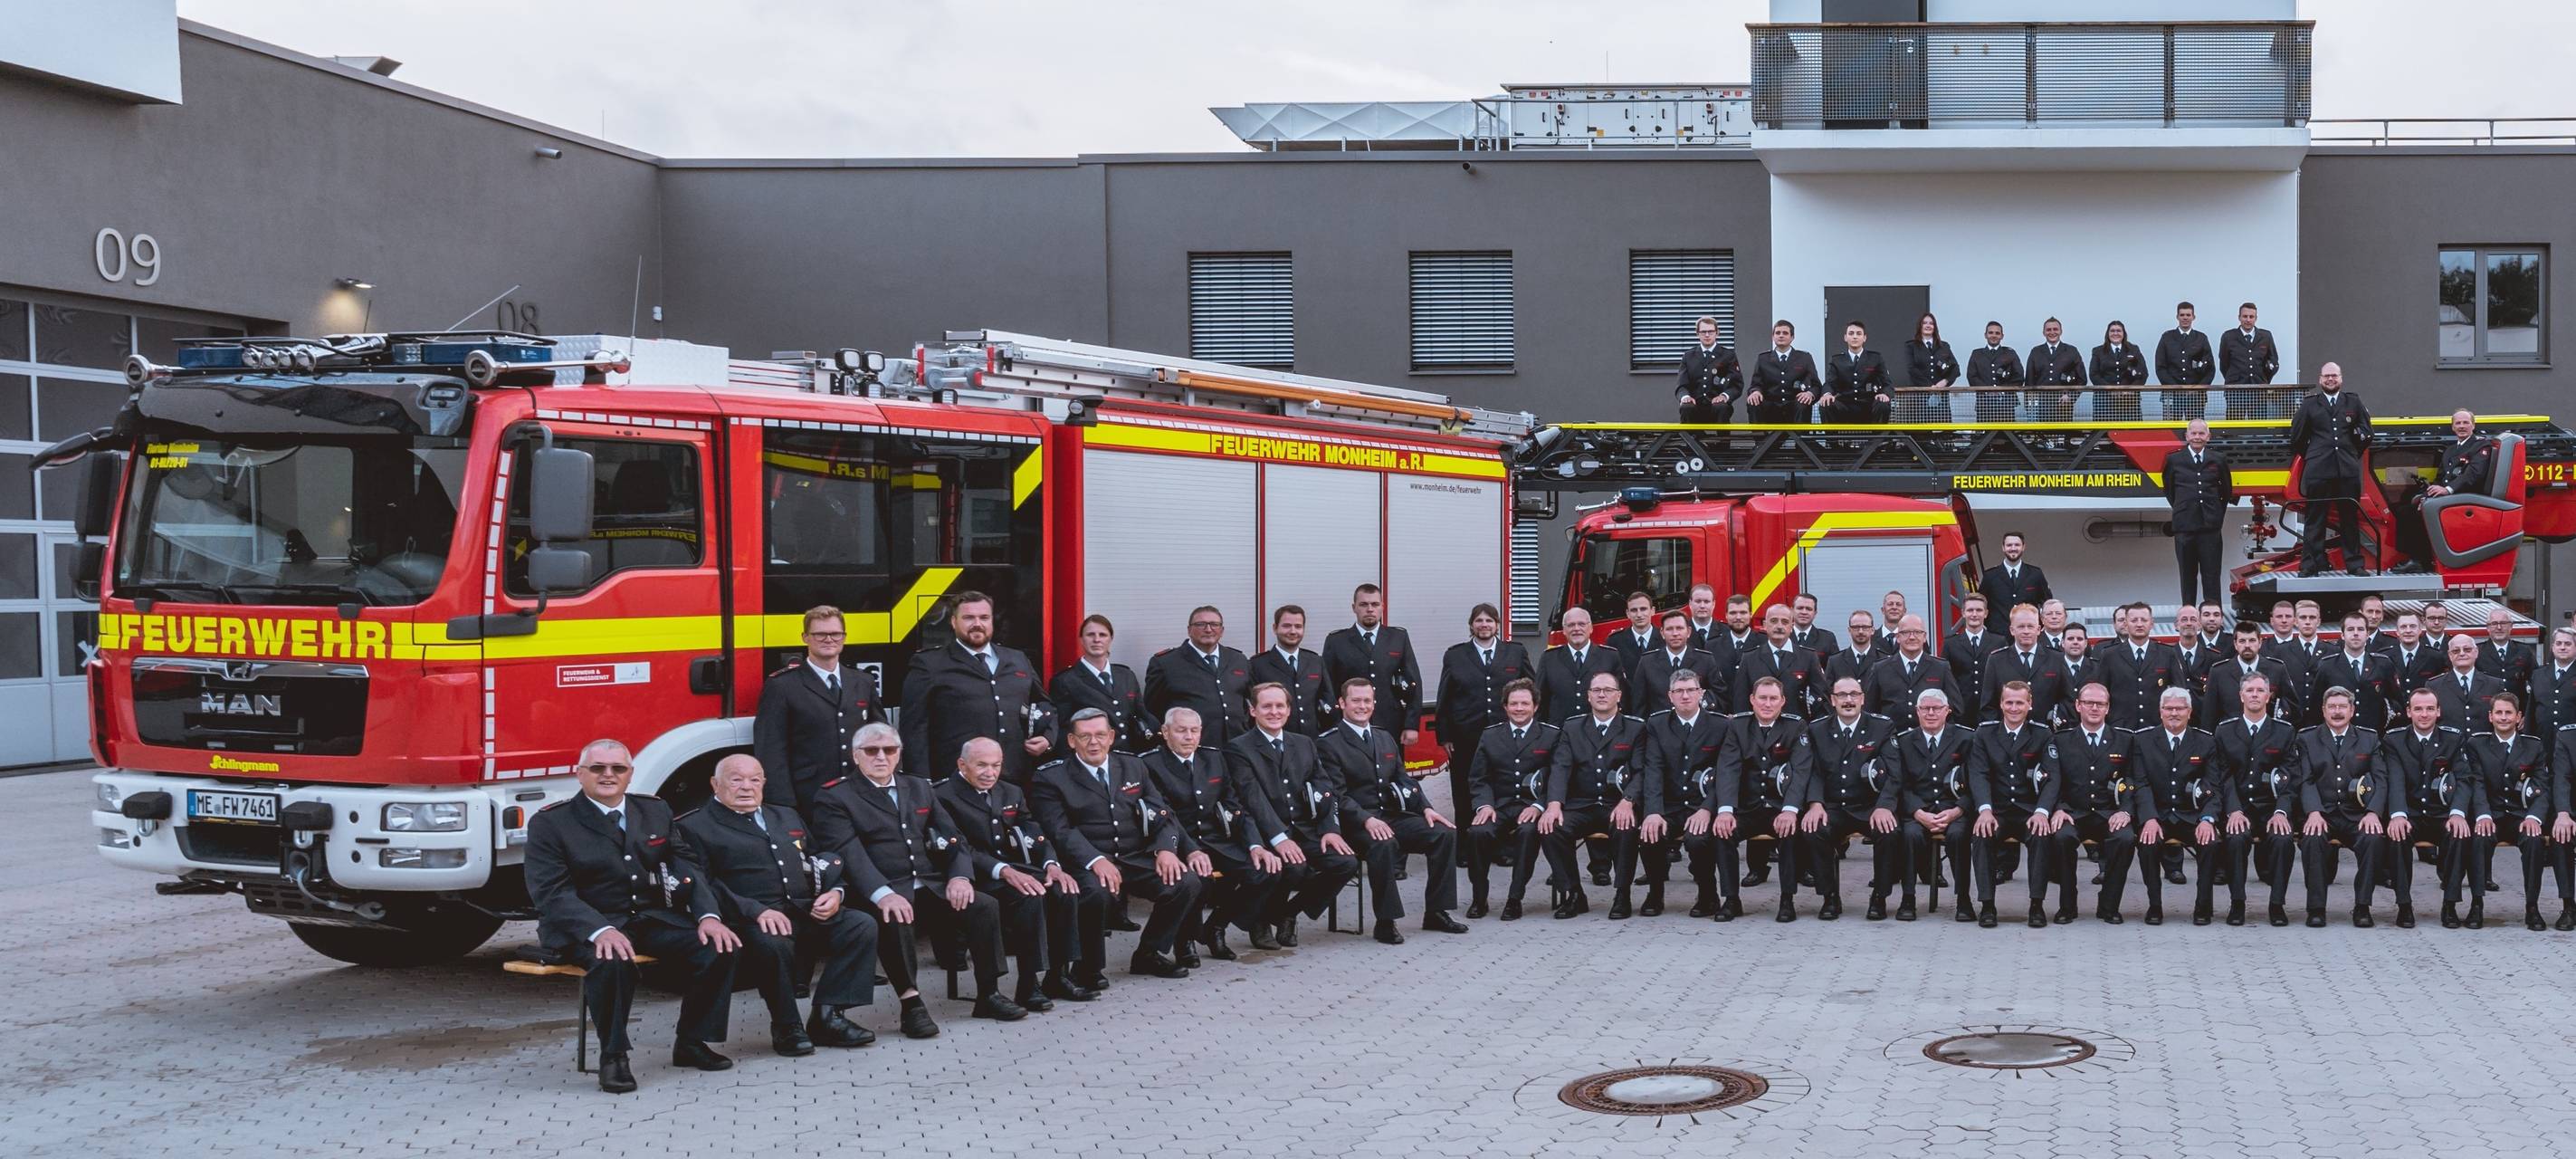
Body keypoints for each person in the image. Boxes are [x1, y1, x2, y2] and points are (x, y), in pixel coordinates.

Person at [524, 740, 739, 1093]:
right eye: (598, 768)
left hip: (646, 919)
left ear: (630, 774)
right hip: (584, 926)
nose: (608, 775)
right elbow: (551, 892)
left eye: (617, 769)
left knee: (719, 946)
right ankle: (614, 1056)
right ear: (580, 774)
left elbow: (687, 866)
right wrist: (600, 929)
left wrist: (708, 916)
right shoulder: (552, 822)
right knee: (613, 961)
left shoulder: (654, 810)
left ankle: (692, 1042)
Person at [807, 723, 1016, 1036]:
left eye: (889, 750)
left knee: (983, 905)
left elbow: (953, 836)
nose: (881, 757)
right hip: (880, 888)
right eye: (872, 751)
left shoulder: (918, 787)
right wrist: (882, 893)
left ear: (899, 754)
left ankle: (988, 993)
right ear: (855, 755)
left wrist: (959, 877)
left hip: (930, 883)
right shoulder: (837, 797)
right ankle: (911, 1004)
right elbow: (849, 853)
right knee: (895, 914)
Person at [677, 754, 877, 1057]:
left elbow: (818, 859)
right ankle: (787, 1027)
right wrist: (756, 912)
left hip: (801, 909)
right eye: (736, 779)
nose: (747, 787)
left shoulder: (785, 816)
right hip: (747, 918)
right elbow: (705, 885)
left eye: (755, 779)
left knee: (860, 925)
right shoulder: (695, 826)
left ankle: (828, 1016)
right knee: (772, 944)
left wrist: (835, 892)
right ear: (714, 784)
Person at [1031, 709, 1205, 976]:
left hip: (1134, 856)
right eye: (1085, 736)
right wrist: (1096, 860)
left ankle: (1149, 953)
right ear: (1071, 741)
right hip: (1086, 861)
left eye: (1100, 735)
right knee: (1094, 893)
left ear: (1111, 737)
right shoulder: (1052, 777)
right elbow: (1060, 830)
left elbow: (1162, 814)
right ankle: (1088, 967)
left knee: (1185, 881)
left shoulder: (1133, 766)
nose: (1094, 742)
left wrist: (1166, 850)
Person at [935, 738, 1087, 1008]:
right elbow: (959, 846)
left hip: (1017, 869)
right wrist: (1004, 871)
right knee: (1028, 897)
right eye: (981, 765)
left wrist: (1051, 865)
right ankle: (1028, 985)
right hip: (975, 876)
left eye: (996, 765)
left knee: (1064, 889)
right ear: (962, 764)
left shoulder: (1010, 791)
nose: (990, 773)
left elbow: (1034, 831)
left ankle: (1058, 974)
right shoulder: (943, 796)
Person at [1319, 679, 1465, 943]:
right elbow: (1337, 795)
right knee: (1383, 844)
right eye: (1356, 700)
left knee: (1443, 834)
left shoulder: (1384, 737)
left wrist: (1426, 809)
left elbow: (1404, 779)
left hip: (1390, 816)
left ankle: (1436, 912)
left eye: (1367, 701)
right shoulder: (1329, 743)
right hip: (1354, 824)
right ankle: (1386, 921)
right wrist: (1366, 820)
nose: (1362, 706)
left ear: (1374, 704)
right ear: (1342, 703)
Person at [1227, 683, 1362, 948]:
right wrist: (1278, 839)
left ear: (1289, 711)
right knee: (1293, 867)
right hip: (1267, 833)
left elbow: (1325, 789)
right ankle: (1260, 920)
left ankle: (1288, 913)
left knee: (1345, 863)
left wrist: (1330, 829)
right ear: (1253, 710)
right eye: (1267, 706)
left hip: (1305, 830)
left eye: (1280, 706)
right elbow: (1253, 799)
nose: (1274, 712)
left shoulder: (1303, 743)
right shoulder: (1238, 748)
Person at [1142, 706, 1282, 961]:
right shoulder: (1149, 764)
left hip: (1218, 841)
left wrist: (1255, 846)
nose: (1188, 737)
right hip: (1178, 845)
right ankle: (1184, 941)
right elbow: (1164, 817)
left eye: (1194, 731)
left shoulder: (1213, 758)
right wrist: (1190, 850)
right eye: (1181, 730)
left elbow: (1235, 805)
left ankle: (1216, 926)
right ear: (1165, 732)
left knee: (1266, 870)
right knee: (1199, 880)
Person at [900, 591, 1056, 786]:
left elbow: (1043, 704)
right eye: (968, 618)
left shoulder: (1017, 659)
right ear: (953, 622)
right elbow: (914, 729)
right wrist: (921, 783)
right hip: (956, 780)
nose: (977, 624)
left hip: (1014, 778)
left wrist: (1048, 738)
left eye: (984, 618)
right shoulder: (929, 664)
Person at [753, 605, 886, 811]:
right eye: (820, 634)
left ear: (844, 637)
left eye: (835, 634)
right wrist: (783, 805)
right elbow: (771, 750)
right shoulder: (782, 685)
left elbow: (881, 737)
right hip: (810, 796)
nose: (829, 639)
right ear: (805, 637)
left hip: (860, 794)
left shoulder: (863, 681)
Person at [1539, 672, 1647, 919]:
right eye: (1596, 690)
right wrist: (1554, 805)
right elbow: (1561, 767)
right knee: (1551, 828)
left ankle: (1622, 894)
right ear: (1588, 696)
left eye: (1608, 690)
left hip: (1616, 803)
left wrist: (1628, 801)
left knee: (1626, 828)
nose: (1601, 694)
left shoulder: (1635, 728)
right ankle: (1574, 894)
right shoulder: (1572, 727)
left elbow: (1642, 771)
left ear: (1619, 696)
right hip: (1582, 804)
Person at [2461, 694, 2571, 931]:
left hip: (2522, 816)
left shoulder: (2533, 745)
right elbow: (2476, 783)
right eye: (2498, 713)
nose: (2503, 717)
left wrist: (2534, 817)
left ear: (2519, 717)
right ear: (2490, 717)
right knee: (2479, 839)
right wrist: (2482, 815)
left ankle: (2532, 907)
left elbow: (2542, 787)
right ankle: (2477, 904)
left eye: (2508, 713)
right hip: (2491, 815)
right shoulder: (2477, 744)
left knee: (2534, 842)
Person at [1797, 677, 1901, 920]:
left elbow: (1895, 773)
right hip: (1834, 806)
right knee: (1813, 830)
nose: (1848, 700)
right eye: (1842, 695)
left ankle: (1880, 897)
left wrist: (1885, 807)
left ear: (1863, 698)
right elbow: (1812, 772)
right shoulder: (1817, 729)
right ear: (1832, 700)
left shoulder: (1881, 727)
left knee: (1890, 832)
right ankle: (1829, 896)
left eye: (1854, 694)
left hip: (1870, 807)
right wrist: (1815, 804)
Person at [1710, 676, 1812, 921]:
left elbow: (1801, 771)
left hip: (1779, 807)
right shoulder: (1737, 726)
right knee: (1722, 832)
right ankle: (1731, 899)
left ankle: (1787, 899)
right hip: (1748, 808)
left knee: (1789, 832)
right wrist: (1725, 810)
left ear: (1783, 701)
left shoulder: (1795, 727)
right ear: (1752, 700)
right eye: (1762, 698)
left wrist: (1790, 810)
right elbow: (1728, 768)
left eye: (1773, 698)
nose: (1767, 704)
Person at [1634, 668, 1732, 919]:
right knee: (1649, 834)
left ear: (1701, 693)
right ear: (1670, 696)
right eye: (1679, 691)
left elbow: (1724, 774)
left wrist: (1707, 809)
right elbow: (1652, 769)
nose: (1685, 696)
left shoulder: (1720, 725)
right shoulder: (1657, 724)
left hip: (1703, 804)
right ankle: (1655, 893)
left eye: (1691, 690)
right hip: (1670, 804)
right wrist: (1653, 812)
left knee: (1697, 839)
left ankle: (1708, 894)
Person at [2292, 690, 2394, 928]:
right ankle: (2316, 908)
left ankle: (2362, 906)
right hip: (2322, 813)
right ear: (2323, 711)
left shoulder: (2369, 738)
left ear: (2352, 710)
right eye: (2332, 707)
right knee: (2312, 840)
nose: (2337, 712)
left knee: (2373, 839)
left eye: (2342, 707)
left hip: (2356, 814)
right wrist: (2313, 812)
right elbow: (2304, 779)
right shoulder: (2307, 738)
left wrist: (2373, 813)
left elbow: (2381, 779)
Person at [2043, 683, 2141, 923]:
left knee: (2125, 839)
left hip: (2109, 812)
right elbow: (2054, 779)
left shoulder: (2124, 739)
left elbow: (2131, 780)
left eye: (2100, 704)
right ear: (2078, 705)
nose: (2094, 708)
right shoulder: (2061, 739)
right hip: (2073, 812)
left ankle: (2108, 904)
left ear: (2108, 708)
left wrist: (2126, 811)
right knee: (2062, 838)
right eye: (2089, 703)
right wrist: (2057, 809)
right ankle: (2068, 904)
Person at [1876, 688, 1973, 923]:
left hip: (1954, 809)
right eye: (1925, 709)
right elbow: (1902, 784)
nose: (1931, 713)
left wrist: (1958, 810)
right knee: (1909, 834)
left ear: (1947, 711)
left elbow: (1976, 781)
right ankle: (1907, 899)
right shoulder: (1904, 741)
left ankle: (1963, 899)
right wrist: (1917, 813)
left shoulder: (1966, 738)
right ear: (1917, 712)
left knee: (1960, 835)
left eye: (1937, 708)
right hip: (1918, 810)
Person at [2128, 687, 2223, 925]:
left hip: (2191, 816)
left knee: (2210, 843)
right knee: (2147, 843)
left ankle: (2203, 906)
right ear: (2160, 712)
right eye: (2169, 708)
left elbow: (2214, 785)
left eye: (2179, 708)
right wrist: (2149, 818)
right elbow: (2140, 783)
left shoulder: (2205, 741)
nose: (2174, 713)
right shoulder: (2142, 740)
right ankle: (2155, 905)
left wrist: (2207, 819)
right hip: (2157, 815)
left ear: (2189, 712)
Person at [1465, 679, 1560, 920]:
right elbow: (1478, 778)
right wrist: (1484, 805)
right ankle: (1479, 897)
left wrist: (1540, 806)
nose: (1519, 708)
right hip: (1498, 806)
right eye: (1514, 704)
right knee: (1477, 833)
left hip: (1531, 807)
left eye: (1524, 703)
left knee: (1528, 833)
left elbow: (1558, 778)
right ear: (1505, 707)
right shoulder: (1490, 736)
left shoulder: (1551, 735)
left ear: (1535, 706)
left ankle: (1514, 898)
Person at [2213, 673, 2302, 927]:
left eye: (2259, 690)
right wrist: (2233, 811)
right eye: (2249, 690)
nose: (2254, 695)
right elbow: (2223, 776)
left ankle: (2277, 904)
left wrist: (2282, 812)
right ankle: (2237, 903)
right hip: (2238, 807)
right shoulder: (2225, 731)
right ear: (2241, 696)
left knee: (2284, 841)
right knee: (2235, 839)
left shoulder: (2284, 732)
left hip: (2270, 808)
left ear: (2268, 696)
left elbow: (2290, 777)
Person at [1967, 682, 2057, 928]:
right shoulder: (1985, 734)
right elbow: (1978, 774)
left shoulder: (2042, 734)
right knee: (1981, 834)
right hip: (1997, 811)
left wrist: (2042, 812)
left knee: (2041, 835)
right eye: (2009, 702)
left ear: (2030, 704)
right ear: (2000, 704)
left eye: (2020, 702)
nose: (2014, 708)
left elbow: (2053, 777)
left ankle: (2036, 905)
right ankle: (1987, 905)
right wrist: (1984, 810)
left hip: (2029, 810)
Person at [1436, 602, 1531, 828]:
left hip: (1505, 734)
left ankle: (1503, 844)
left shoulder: (1515, 652)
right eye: (1479, 620)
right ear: (1471, 625)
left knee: (1505, 787)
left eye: (1489, 620)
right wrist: (1445, 736)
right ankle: (1465, 844)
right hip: (1465, 735)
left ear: (1497, 624)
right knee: (1463, 787)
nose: (1484, 625)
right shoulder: (1455, 655)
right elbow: (1445, 698)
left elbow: (1531, 690)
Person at [2382, 688, 2466, 928]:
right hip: (2410, 815)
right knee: (2397, 837)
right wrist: (2398, 814)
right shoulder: (2394, 739)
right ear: (2408, 712)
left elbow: (2464, 779)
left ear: (2439, 711)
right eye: (2418, 709)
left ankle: (2450, 905)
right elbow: (2395, 780)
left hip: (2442, 814)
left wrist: (2457, 813)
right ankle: (2404, 905)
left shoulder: (2453, 738)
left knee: (2459, 835)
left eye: (2430, 708)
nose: (2424, 714)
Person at [2286, 362, 2372, 577]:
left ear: (2341, 379)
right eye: (2327, 376)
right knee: (2315, 519)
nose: (2330, 379)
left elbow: (2367, 432)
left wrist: (2352, 453)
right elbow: (2297, 438)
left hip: (2347, 470)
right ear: (2320, 379)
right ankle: (2309, 565)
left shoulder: (2353, 401)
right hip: (2318, 471)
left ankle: (2354, 565)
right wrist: (2314, 456)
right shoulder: (2309, 405)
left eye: (2334, 375)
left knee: (2349, 519)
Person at [1322, 583, 1425, 744]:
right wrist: (1333, 724)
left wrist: (1411, 725)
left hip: (1391, 724)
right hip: (1349, 725)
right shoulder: (1336, 641)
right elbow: (1327, 687)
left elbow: (1414, 683)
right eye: (1363, 604)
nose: (1370, 609)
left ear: (1382, 607)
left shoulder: (1398, 637)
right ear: (1354, 607)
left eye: (1375, 604)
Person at [1144, 606, 1252, 750]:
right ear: (1189, 630)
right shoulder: (1166, 663)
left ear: (1222, 630)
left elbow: (1248, 702)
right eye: (1201, 624)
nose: (1208, 629)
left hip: (1237, 747)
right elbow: (1152, 710)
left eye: (1214, 624)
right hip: (1194, 750)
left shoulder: (1238, 659)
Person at [1049, 614, 1150, 753]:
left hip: (1131, 757)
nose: (1097, 640)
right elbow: (1064, 730)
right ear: (1081, 640)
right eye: (1090, 635)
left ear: (1110, 639)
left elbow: (1141, 713)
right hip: (1092, 758)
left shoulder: (1126, 675)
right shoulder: (1065, 680)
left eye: (1102, 635)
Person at [2161, 419, 2235, 606]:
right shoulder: (2174, 460)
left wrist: (2216, 515)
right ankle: (2189, 613)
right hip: (2184, 527)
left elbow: (2226, 492)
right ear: (2186, 436)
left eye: (2201, 434)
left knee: (2211, 574)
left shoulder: (2218, 459)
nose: (2197, 437)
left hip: (2210, 527)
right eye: (2193, 433)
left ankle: (2213, 614)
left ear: (2208, 437)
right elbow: (2170, 490)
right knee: (2187, 574)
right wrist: (2183, 509)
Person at [1864, 614, 1959, 733]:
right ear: (1898, 637)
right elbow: (1869, 711)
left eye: (1917, 632)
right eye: (1906, 632)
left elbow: (1954, 708)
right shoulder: (1880, 668)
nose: (1912, 637)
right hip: (1891, 740)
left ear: (1924, 637)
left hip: (1929, 742)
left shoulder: (1940, 667)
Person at [1245, 605, 1329, 736]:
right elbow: (1252, 707)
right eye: (1286, 626)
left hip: (1313, 741)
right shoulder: (1257, 664)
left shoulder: (1316, 661)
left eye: (1298, 626)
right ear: (1275, 628)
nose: (1293, 631)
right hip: (1275, 740)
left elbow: (1327, 700)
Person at [2097, 602, 2180, 732]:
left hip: (2157, 728)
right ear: (2125, 623)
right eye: (2134, 620)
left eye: (2144, 620)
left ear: (2152, 623)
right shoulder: (2109, 655)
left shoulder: (2167, 653)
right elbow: (2101, 693)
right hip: (2120, 729)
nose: (2139, 624)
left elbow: (2179, 690)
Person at [1737, 602, 1826, 719]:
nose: (1779, 626)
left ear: (1791, 627)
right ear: (1765, 625)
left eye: (1785, 622)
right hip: (1759, 730)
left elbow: (1821, 697)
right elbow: (1741, 701)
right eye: (1774, 621)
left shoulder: (1808, 657)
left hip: (1798, 729)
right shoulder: (1749, 658)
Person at [1540, 606, 1625, 726]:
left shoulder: (1610, 656)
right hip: (1559, 732)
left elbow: (1621, 697)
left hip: (1598, 731)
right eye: (1571, 625)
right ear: (1564, 630)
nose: (1576, 629)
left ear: (1590, 628)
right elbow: (1540, 699)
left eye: (1581, 624)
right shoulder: (1549, 658)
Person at [2207, 621, 2301, 727]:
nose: (2247, 645)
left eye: (2252, 640)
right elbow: (2209, 715)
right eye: (2242, 641)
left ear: (2260, 643)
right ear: (2235, 644)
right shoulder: (2219, 672)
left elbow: (2293, 709)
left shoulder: (2277, 669)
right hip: (2230, 739)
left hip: (2268, 737)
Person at [1635, 608, 1727, 716]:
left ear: (1688, 632)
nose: (1675, 633)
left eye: (1679, 628)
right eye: (1669, 629)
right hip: (1659, 729)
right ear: (1662, 633)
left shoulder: (1705, 659)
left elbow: (1721, 697)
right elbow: (1639, 704)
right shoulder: (1647, 662)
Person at [2314, 615, 2399, 729]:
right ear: (2342, 635)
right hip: (2338, 735)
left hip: (2374, 736)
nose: (2355, 633)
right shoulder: (2327, 666)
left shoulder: (2382, 664)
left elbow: (2396, 701)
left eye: (2360, 629)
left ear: (2367, 634)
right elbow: (2317, 705)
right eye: (2350, 629)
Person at [1983, 607, 2056, 724]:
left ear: (2038, 629)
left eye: (2030, 626)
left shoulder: (2056, 658)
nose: (2026, 631)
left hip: (2047, 733)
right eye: (2021, 626)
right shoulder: (1996, 660)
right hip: (2008, 734)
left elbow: (2066, 698)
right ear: (2012, 630)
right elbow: (1988, 705)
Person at [1745, 319, 1820, 425]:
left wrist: (1809, 393)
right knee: (1753, 402)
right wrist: (1756, 392)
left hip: (1794, 406)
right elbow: (1756, 384)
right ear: (1773, 337)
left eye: (1785, 333)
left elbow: (1816, 385)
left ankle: (1800, 441)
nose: (1781, 336)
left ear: (1792, 337)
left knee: (1803, 403)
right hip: (1771, 407)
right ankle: (1762, 441)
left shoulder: (1804, 358)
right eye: (1777, 333)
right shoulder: (1763, 359)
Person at [1941, 593, 1999, 727]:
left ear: (1986, 613)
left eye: (1979, 610)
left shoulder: (1998, 642)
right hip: (1960, 713)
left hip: (1990, 711)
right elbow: (1944, 678)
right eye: (1970, 610)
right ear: (1963, 613)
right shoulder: (1950, 644)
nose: (1974, 614)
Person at [2154, 301, 2217, 423]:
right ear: (2177, 317)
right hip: (2172, 395)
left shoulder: (2201, 338)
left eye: (2188, 315)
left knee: (2196, 429)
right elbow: (2160, 367)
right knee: (2172, 431)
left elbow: (2210, 368)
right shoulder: (2167, 337)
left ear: (2194, 317)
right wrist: (2176, 387)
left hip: (2196, 396)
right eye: (2182, 315)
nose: (2185, 318)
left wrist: (2198, 388)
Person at [1820, 320, 1893, 425]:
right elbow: (1830, 383)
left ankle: (1878, 441)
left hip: (1869, 407)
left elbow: (1887, 383)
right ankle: (1832, 441)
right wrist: (1827, 394)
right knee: (1826, 403)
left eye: (1859, 334)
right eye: (1851, 333)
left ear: (1864, 338)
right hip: (1845, 407)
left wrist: (1884, 394)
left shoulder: (1875, 358)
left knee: (1883, 403)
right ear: (1845, 338)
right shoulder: (1837, 360)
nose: (1855, 337)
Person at [2219, 302, 2283, 419]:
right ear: (2239, 317)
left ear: (2256, 318)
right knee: (2234, 428)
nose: (2248, 320)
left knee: (2258, 429)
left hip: (2259, 391)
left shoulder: (2266, 336)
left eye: (2251, 317)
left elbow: (2273, 361)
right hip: (2235, 392)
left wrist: (2263, 380)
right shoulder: (2228, 336)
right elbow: (2224, 364)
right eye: (2245, 316)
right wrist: (2234, 379)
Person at [2431, 633, 2507, 733]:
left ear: (2476, 652)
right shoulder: (2434, 686)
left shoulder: (2495, 685)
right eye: (2456, 651)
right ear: (2450, 655)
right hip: (2449, 746)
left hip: (2484, 745)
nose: (2462, 653)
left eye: (2467, 650)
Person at [1674, 314, 1742, 423]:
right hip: (1695, 405)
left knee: (1721, 407)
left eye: (1711, 332)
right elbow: (1681, 385)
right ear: (1697, 334)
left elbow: (1736, 385)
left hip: (1718, 406)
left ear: (1717, 333)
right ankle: (1690, 440)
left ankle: (1723, 440)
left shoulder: (1728, 355)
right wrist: (1685, 397)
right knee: (1686, 407)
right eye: (1703, 332)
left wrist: (1725, 396)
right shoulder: (1688, 356)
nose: (1707, 335)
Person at [2025, 317, 2087, 423]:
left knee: (2063, 436)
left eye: (2055, 329)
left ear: (2061, 331)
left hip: (2064, 403)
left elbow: (2082, 379)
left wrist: (2071, 397)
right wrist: (2029, 404)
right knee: (2041, 436)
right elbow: (2029, 380)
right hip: (2041, 404)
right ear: (2043, 332)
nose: (2052, 332)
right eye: (2048, 330)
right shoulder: (2036, 351)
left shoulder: (2071, 351)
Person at [1903, 311, 1960, 424]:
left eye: (1931, 323)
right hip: (1920, 395)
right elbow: (1911, 369)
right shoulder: (1911, 346)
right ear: (1920, 326)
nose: (1928, 326)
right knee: (1922, 430)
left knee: (1943, 430)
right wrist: (1929, 386)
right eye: (1925, 323)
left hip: (1940, 395)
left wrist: (1945, 381)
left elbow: (1955, 369)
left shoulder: (1944, 346)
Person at [2428, 409, 2497, 501]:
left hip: (2467, 499)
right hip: (2448, 498)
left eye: (2466, 423)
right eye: (2458, 423)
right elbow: (2441, 477)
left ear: (2473, 426)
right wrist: (2428, 495)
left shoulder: (2481, 445)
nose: (2462, 426)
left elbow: (2474, 473)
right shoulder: (2449, 450)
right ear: (2453, 427)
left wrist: (2448, 489)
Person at [1963, 321, 2024, 423]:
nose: (1994, 336)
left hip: (2006, 403)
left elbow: (2019, 376)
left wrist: (2002, 390)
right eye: (1990, 333)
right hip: (1984, 403)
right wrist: (1988, 390)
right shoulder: (1977, 354)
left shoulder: (2010, 353)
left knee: (2007, 436)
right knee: (1985, 436)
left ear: (2002, 336)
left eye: (1997, 333)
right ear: (1985, 335)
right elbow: (1972, 376)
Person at [2089, 320, 2150, 422]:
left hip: (2129, 401)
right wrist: (2111, 390)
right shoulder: (2098, 351)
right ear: (2108, 334)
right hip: (2105, 401)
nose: (2115, 333)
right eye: (2112, 331)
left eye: (2119, 331)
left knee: (2130, 434)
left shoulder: (2134, 349)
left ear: (2123, 333)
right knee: (2104, 434)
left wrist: (2130, 390)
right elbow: (2094, 374)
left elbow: (2143, 373)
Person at [2476, 608, 2537, 705]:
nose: (2499, 627)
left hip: (2518, 712)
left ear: (2511, 626)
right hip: (2487, 712)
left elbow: (2536, 683)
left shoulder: (2524, 651)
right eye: (2494, 623)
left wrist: (2528, 714)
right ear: (2487, 627)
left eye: (2503, 623)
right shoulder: (2477, 652)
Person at [1980, 532, 2050, 614]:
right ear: (2003, 548)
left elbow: (2047, 603)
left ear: (2023, 547)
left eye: (2017, 545)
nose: (2013, 548)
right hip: (1998, 626)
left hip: (2027, 625)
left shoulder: (2035, 574)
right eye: (2009, 545)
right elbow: (1981, 604)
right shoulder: (1990, 576)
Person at [2526, 627, 2576, 736]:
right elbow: (2531, 711)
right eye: (2558, 644)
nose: (2562, 647)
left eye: (2568, 644)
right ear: (2553, 648)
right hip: (2544, 742)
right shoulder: (2538, 675)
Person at [2386, 611, 2443, 701]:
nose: (2408, 631)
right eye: (2403, 627)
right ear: (2397, 631)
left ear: (2420, 630)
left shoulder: (2435, 657)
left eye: (2413, 626)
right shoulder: (2385, 657)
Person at [1824, 610, 1885, 690]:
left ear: (1872, 630)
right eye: (1856, 627)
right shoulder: (1835, 661)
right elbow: (1827, 693)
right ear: (1849, 630)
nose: (1860, 631)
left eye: (1865, 627)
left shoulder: (1884, 660)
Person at [1608, 590, 1661, 675]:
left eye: (1643, 609)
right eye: (1634, 610)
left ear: (1653, 611)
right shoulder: (1615, 641)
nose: (1639, 614)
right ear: (1628, 613)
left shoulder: (1665, 638)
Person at [1789, 592, 1834, 656]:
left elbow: (1835, 665)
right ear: (1792, 610)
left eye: (1809, 609)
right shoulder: (1782, 636)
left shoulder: (1827, 638)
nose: (1804, 612)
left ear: (1815, 613)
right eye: (1800, 608)